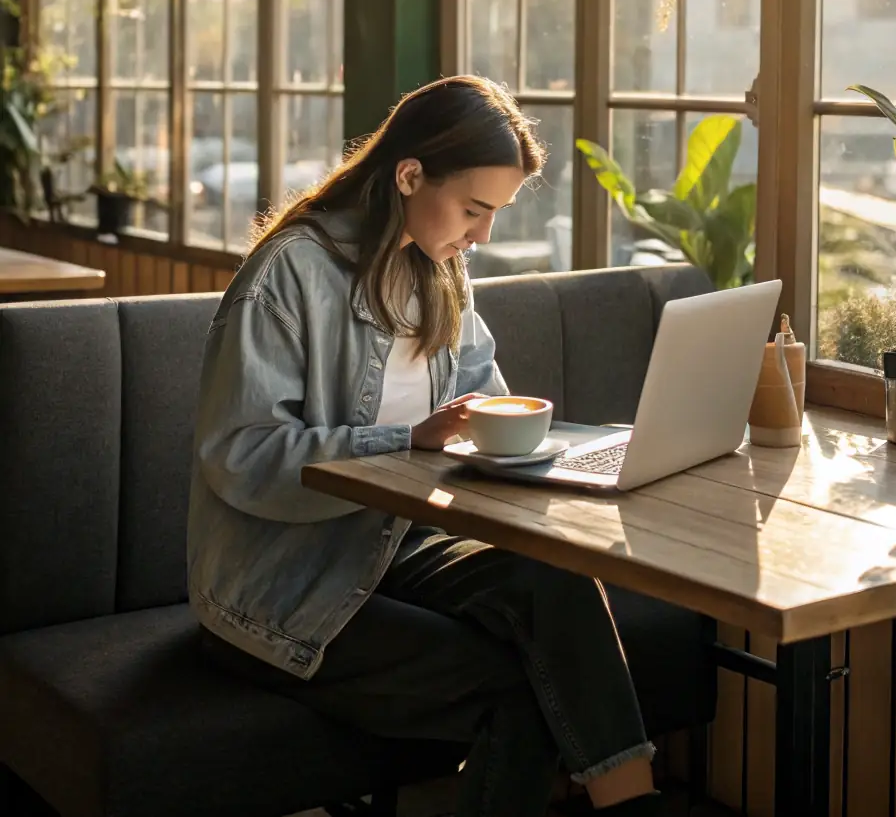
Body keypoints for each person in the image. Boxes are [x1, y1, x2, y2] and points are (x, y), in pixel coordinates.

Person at [188, 76, 666, 817]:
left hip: (400, 541)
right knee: (517, 686)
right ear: (409, 174)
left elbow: (483, 400)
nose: (482, 236)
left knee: (561, 581)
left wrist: (574, 450)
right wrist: (404, 439)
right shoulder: (289, 274)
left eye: (494, 214)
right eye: (475, 210)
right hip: (285, 586)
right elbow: (242, 453)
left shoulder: (440, 268)